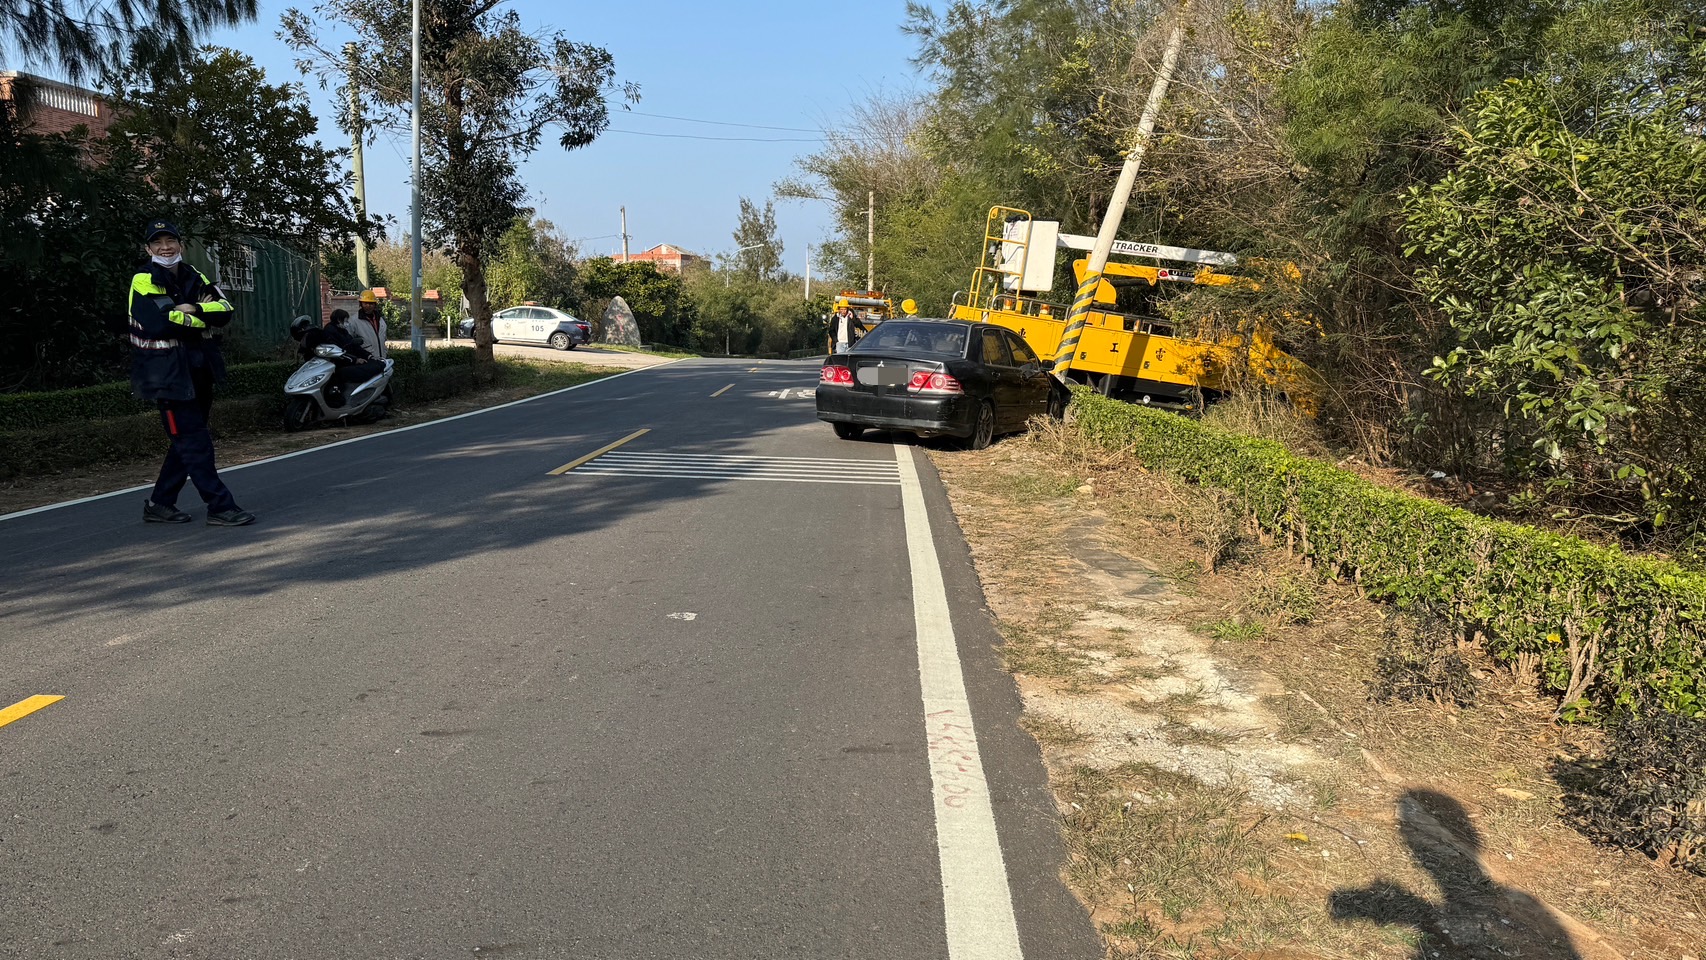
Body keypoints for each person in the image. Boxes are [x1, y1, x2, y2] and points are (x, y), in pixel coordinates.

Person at [129, 218, 256, 526]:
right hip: (166, 376)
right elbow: (161, 322)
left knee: (185, 441)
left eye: (169, 241)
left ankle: (160, 503)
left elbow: (225, 311)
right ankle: (220, 506)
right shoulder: (143, 278)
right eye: (157, 243)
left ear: (180, 245)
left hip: (199, 370)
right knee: (195, 442)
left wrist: (194, 309)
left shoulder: (194, 275)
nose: (165, 247)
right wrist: (198, 316)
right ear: (148, 248)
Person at [294, 310, 383, 408]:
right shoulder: (330, 331)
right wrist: (355, 360)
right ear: (339, 320)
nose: (347, 323)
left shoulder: (342, 331)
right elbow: (338, 351)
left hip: (345, 361)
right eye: (345, 320)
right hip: (339, 364)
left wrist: (368, 356)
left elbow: (354, 346)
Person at [353, 289, 387, 359]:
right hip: (366, 360)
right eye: (365, 303)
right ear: (361, 304)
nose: (368, 306)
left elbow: (383, 338)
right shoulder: (354, 321)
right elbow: (350, 342)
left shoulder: (380, 319)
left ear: (375, 305)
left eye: (371, 303)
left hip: (382, 358)